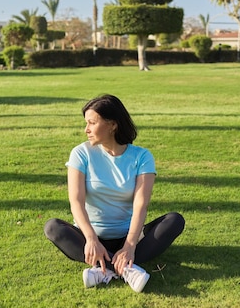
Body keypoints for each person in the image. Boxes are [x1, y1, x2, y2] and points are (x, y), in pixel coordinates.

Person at [44, 94, 185, 292]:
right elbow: (76, 201)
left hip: (128, 236)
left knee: (174, 220)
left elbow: (140, 204)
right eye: (86, 123)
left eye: (92, 123)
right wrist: (92, 240)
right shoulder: (80, 153)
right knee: (53, 227)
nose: (86, 129)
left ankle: (105, 269)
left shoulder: (142, 156)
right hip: (89, 236)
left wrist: (129, 246)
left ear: (112, 125)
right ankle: (125, 270)